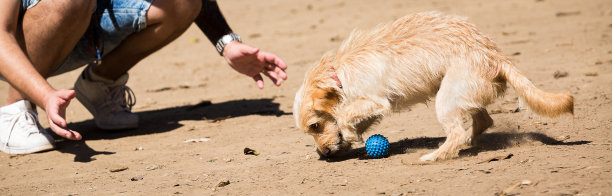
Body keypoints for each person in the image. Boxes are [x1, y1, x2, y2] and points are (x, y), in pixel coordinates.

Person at [0, 0, 288, 154]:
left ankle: (99, 84)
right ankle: (15, 110)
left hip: (85, 23)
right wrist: (44, 94)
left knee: (182, 2)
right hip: (18, 45)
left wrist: (226, 42)